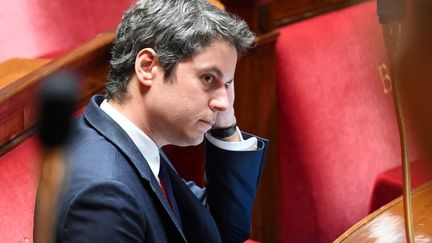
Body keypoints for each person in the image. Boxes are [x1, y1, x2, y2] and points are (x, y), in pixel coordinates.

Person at [53, 0, 268, 242]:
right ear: (148, 67)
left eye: (227, 84)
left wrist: (226, 126)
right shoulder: (104, 194)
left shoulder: (125, 138)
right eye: (208, 78)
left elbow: (223, 232)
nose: (223, 103)